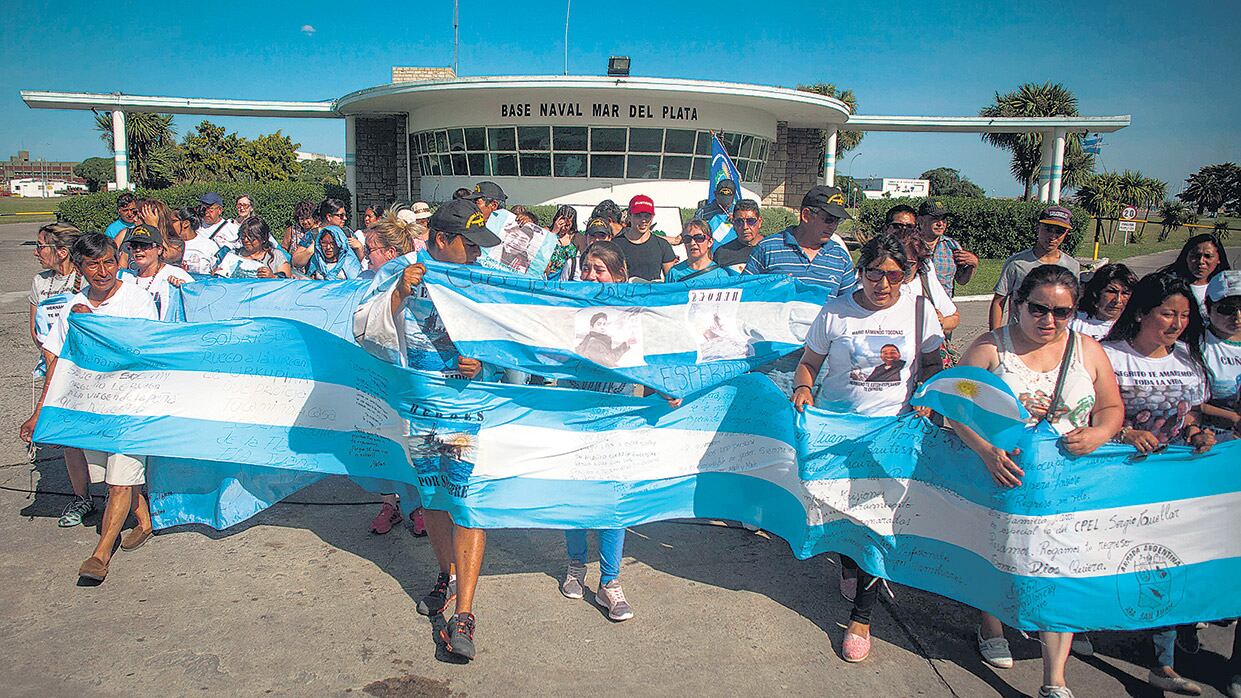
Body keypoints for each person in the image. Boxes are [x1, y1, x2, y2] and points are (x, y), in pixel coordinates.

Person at [953, 264, 1123, 698]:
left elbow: (1110, 407)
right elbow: (957, 406)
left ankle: (1055, 679)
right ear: (1018, 305)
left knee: (1059, 570)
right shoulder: (992, 350)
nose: (1049, 320)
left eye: (1061, 312)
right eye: (1039, 309)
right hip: (1001, 480)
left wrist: (1100, 433)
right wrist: (987, 450)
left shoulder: (1088, 351)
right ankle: (991, 624)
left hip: (1068, 488)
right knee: (999, 559)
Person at [353, 198, 502, 661]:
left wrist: (486, 364)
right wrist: (398, 292)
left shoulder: (481, 277)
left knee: (467, 499)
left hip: (468, 411)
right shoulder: (400, 272)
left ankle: (465, 612)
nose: (478, 254)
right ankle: (447, 574)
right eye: (470, 244)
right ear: (441, 239)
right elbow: (363, 327)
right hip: (418, 411)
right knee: (435, 497)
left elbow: (509, 339)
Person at [790, 234, 945, 663]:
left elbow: (932, 365)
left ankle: (861, 617)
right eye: (874, 273)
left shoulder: (918, 311)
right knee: (844, 514)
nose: (883, 283)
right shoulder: (836, 310)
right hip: (839, 434)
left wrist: (927, 398)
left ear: (906, 275)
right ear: (861, 272)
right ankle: (849, 562)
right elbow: (810, 362)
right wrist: (804, 388)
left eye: (894, 275)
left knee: (879, 522)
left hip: (895, 435)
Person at [20, 232, 160, 583]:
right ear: (80, 269)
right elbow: (56, 361)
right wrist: (40, 411)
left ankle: (100, 555)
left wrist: (95, 325)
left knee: (118, 483)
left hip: (131, 406)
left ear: (118, 262)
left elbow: (142, 352)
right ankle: (143, 522)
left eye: (109, 262)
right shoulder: (71, 306)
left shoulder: (138, 301)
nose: (103, 271)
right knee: (111, 477)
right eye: (93, 264)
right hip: (91, 408)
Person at [1100, 272, 1213, 695]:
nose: (1177, 323)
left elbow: (1192, 417)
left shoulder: (1187, 359)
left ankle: (1162, 661)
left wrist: (1197, 434)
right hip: (1115, 478)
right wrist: (1123, 433)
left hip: (1171, 483)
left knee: (1165, 562)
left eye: (1184, 315)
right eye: (1167, 313)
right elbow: (1083, 413)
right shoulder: (1108, 356)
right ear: (1143, 312)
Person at [558, 239, 680, 620]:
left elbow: (656, 357)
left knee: (614, 497)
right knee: (577, 493)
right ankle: (576, 566)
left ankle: (609, 582)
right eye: (587, 269)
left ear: (619, 275)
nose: (592, 276)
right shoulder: (568, 309)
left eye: (601, 270)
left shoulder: (635, 314)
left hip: (619, 415)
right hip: (575, 413)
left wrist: (666, 388)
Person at [360, 212, 430, 537]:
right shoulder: (369, 281)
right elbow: (363, 323)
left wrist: (400, 292)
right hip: (378, 375)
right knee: (382, 439)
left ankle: (416, 505)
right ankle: (390, 503)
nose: (365, 256)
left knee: (408, 441)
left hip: (410, 375)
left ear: (390, 253)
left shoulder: (418, 277)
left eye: (371, 249)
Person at [28, 223, 94, 529]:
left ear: (62, 252)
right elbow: (36, 328)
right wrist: (49, 350)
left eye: (42, 246)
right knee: (69, 438)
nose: (37, 252)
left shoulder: (85, 280)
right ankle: (82, 497)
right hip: (53, 364)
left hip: (84, 368)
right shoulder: (40, 283)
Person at [743, 185, 856, 295]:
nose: (833, 226)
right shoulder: (767, 249)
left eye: (838, 220)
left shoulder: (841, 258)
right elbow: (743, 292)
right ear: (806, 215)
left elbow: (849, 305)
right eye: (829, 219)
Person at [989, 205, 1080, 330]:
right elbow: (999, 301)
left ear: (1066, 233)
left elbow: (1073, 305)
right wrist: (995, 336)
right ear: (1038, 228)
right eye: (1048, 229)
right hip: (1019, 336)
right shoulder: (1017, 263)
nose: (1053, 236)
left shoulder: (1072, 266)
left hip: (1055, 336)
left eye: (1059, 231)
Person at [886, 207, 961, 336]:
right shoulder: (873, 277)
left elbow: (953, 317)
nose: (904, 231)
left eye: (910, 227)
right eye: (898, 226)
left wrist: (939, 322)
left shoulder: (926, 272)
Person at [125, 223, 193, 320]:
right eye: (134, 246)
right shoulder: (124, 277)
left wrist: (185, 290)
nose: (138, 250)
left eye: (144, 245)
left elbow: (196, 305)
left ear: (159, 249)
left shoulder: (176, 274)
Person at [1202, 270, 1241, 433]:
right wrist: (1235, 419)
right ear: (1208, 308)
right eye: (1227, 309)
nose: (1238, 316)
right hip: (1213, 437)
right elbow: (1190, 403)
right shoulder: (1195, 345)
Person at [1160, 233, 1231, 318]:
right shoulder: (1167, 285)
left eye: (1208, 256)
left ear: (1219, 259)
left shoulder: (1227, 287)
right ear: (1186, 257)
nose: (1201, 261)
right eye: (1195, 256)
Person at [918, 199, 978, 296]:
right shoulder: (910, 244)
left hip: (944, 307)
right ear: (921, 220)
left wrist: (973, 265)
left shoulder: (952, 246)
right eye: (935, 219)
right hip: (915, 306)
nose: (940, 223)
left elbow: (961, 280)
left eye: (944, 219)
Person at [611, 195, 676, 281]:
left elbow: (671, 281)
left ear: (652, 217)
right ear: (630, 216)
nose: (643, 220)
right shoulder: (615, 245)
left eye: (647, 216)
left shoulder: (663, 245)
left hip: (653, 293)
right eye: (638, 216)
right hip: (626, 293)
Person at [1071, 263, 1137, 340]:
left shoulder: (1136, 328)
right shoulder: (1073, 322)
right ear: (1096, 292)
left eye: (1125, 293)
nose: (1118, 300)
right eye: (1111, 292)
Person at [666, 219, 733, 283]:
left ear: (710, 242)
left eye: (699, 238)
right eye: (687, 239)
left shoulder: (720, 275)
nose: (693, 243)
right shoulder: (674, 273)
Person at [714, 199, 764, 271]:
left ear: (759, 222)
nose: (745, 227)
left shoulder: (773, 249)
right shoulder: (722, 254)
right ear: (733, 224)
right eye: (739, 222)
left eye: (751, 221)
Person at [175, 207, 221, 275]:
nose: (168, 224)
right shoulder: (168, 244)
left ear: (185, 223)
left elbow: (218, 271)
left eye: (173, 221)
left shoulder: (209, 245)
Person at [543, 205, 579, 278]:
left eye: (567, 225)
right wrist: (554, 232)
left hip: (565, 277)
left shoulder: (576, 237)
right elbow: (540, 251)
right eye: (561, 224)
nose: (563, 228)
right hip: (546, 275)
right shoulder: (546, 232)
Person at [283, 199, 319, 271]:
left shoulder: (319, 230)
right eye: (302, 219)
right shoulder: (292, 231)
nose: (305, 222)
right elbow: (283, 249)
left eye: (307, 218)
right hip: (295, 271)